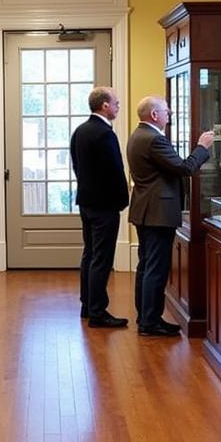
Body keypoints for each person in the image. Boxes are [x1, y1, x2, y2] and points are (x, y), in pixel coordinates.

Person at [127, 96, 214, 337]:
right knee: (155, 267)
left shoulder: (138, 135)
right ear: (154, 115)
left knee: (146, 265)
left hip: (145, 210)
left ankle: (146, 316)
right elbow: (184, 168)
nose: (170, 113)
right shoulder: (154, 139)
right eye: (166, 111)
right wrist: (202, 147)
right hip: (157, 213)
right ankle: (150, 322)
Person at [70, 86, 130, 328]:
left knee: (90, 254)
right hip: (104, 205)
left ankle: (87, 304)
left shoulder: (79, 131)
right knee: (102, 259)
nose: (118, 106)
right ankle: (98, 312)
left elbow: (77, 166)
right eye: (115, 103)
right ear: (104, 105)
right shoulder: (105, 134)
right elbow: (116, 171)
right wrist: (123, 200)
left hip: (86, 202)